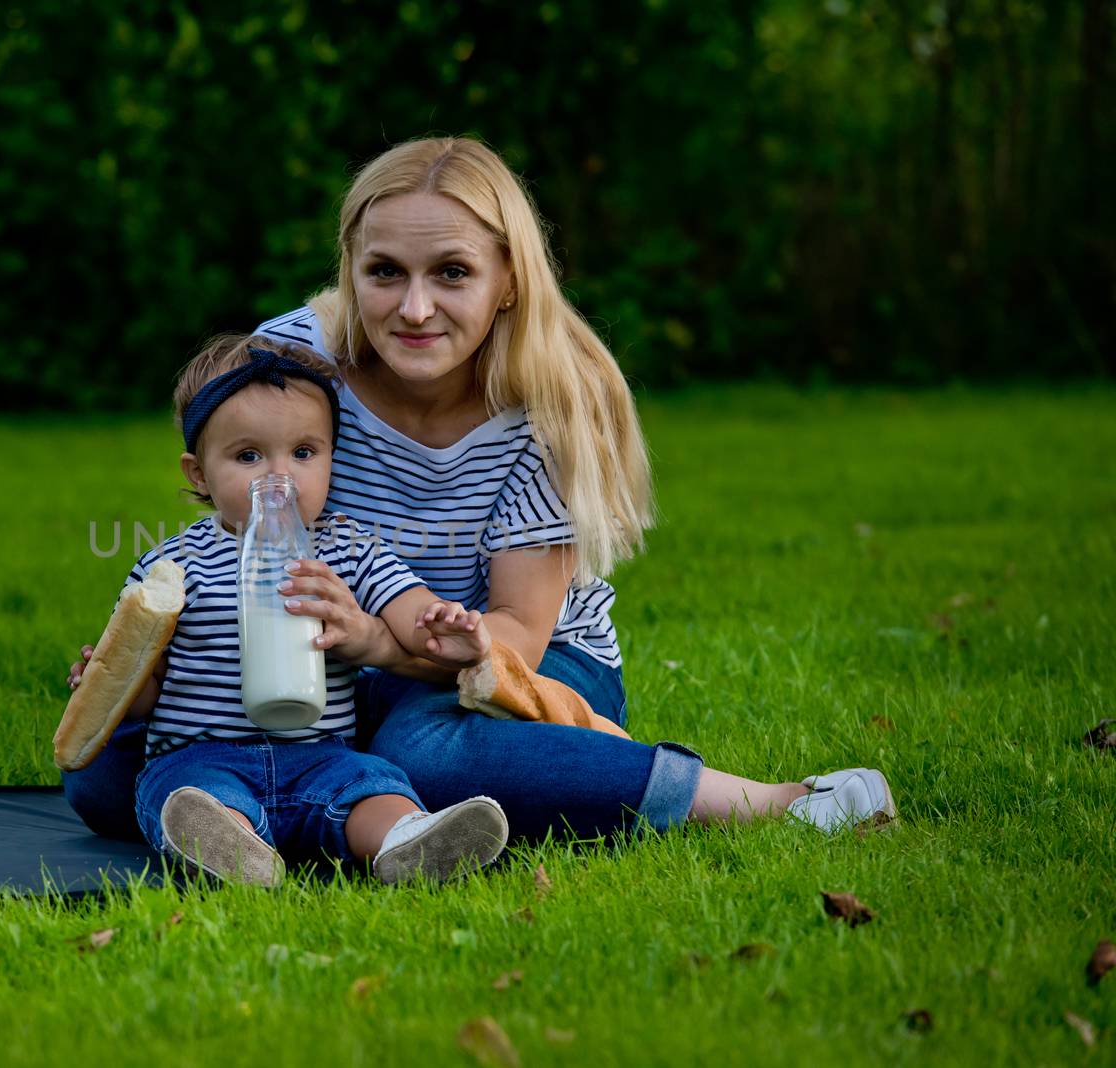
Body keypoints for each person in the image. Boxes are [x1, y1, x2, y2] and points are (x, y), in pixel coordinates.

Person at [66, 137, 896, 845]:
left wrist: (381, 645)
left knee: (426, 750)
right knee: (106, 778)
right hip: (327, 656)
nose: (414, 308)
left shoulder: (553, 406)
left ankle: (773, 803)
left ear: (507, 279)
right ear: (350, 271)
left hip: (513, 666)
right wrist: (141, 671)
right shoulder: (297, 365)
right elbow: (229, 508)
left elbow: (516, 642)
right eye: (384, 272)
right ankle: (298, 804)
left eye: (452, 272)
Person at [103, 332, 513, 886]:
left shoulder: (348, 550)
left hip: (321, 754)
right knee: (190, 797)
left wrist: (445, 627)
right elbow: (147, 686)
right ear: (198, 473)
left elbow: (412, 614)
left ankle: (408, 841)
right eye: (248, 456)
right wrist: (113, 683)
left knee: (372, 785)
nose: (280, 477)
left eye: (303, 452)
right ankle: (232, 848)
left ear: (330, 460)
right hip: (205, 756)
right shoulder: (173, 567)